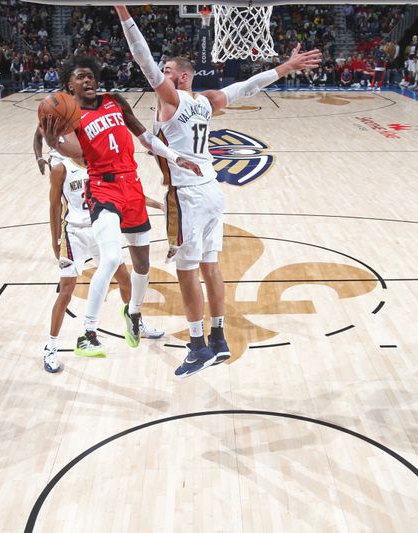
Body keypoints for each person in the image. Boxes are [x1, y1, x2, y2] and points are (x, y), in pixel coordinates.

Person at [115, 5, 321, 377]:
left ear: (180, 78)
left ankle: (198, 347)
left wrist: (122, 11)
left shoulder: (173, 100)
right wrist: (285, 68)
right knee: (211, 266)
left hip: (188, 195)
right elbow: (247, 87)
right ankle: (220, 339)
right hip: (213, 190)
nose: (160, 76)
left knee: (186, 271)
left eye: (167, 72)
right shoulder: (207, 101)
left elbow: (141, 58)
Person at [40, 55, 201, 358]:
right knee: (112, 258)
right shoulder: (70, 118)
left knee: (142, 266)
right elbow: (79, 154)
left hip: (132, 185)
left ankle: (135, 314)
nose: (88, 81)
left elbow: (145, 137)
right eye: (80, 77)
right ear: (68, 85)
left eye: (91, 75)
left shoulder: (115, 101)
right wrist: (53, 141)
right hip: (103, 188)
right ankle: (88, 333)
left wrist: (174, 156)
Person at [42, 149, 164, 372]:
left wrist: (160, 206)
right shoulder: (61, 168)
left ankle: (136, 322)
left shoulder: (102, 164)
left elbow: (130, 194)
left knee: (125, 280)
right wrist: (55, 238)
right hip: (75, 234)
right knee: (66, 291)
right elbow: (54, 205)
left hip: (100, 229)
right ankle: (51, 347)